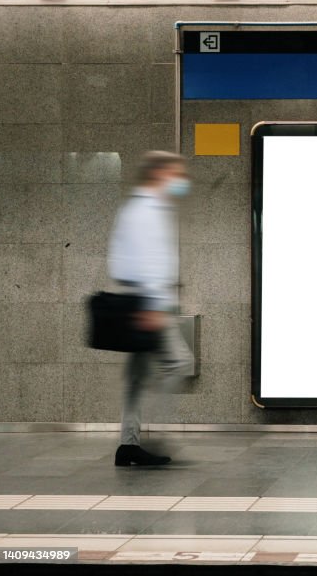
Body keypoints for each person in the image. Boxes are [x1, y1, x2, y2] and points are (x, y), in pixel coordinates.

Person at [108, 151, 194, 467]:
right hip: (150, 307)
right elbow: (143, 261)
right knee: (181, 362)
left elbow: (120, 258)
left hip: (143, 304)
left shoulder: (144, 207)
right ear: (159, 173)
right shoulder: (145, 210)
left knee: (135, 379)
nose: (180, 179)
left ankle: (128, 444)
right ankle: (152, 435)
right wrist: (154, 304)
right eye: (176, 172)